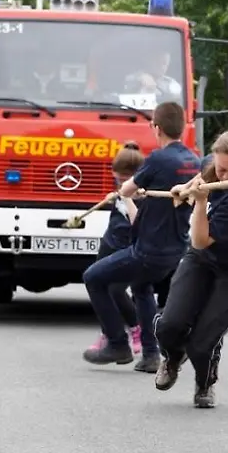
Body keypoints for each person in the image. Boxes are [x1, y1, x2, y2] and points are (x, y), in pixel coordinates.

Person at [82, 102, 201, 371]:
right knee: (141, 288)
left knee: (93, 277)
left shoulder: (159, 158)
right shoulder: (193, 160)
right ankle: (150, 355)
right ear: (182, 128)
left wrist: (127, 191)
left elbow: (127, 187)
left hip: (148, 251)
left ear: (156, 128)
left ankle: (117, 343)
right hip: (175, 252)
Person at [153, 129, 228, 407]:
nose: (225, 177)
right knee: (169, 325)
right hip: (201, 260)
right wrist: (187, 189)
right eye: (221, 169)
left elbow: (201, 239)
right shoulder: (212, 166)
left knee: (202, 343)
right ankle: (171, 356)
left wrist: (201, 200)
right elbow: (202, 178)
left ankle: (205, 383)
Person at [84, 142, 147, 361]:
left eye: (123, 179)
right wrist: (116, 193)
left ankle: (136, 328)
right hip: (110, 241)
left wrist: (127, 196)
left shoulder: (145, 192)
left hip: (128, 246)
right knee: (97, 285)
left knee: (116, 290)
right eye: (117, 177)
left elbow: (137, 222)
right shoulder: (120, 182)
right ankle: (108, 333)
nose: (119, 182)